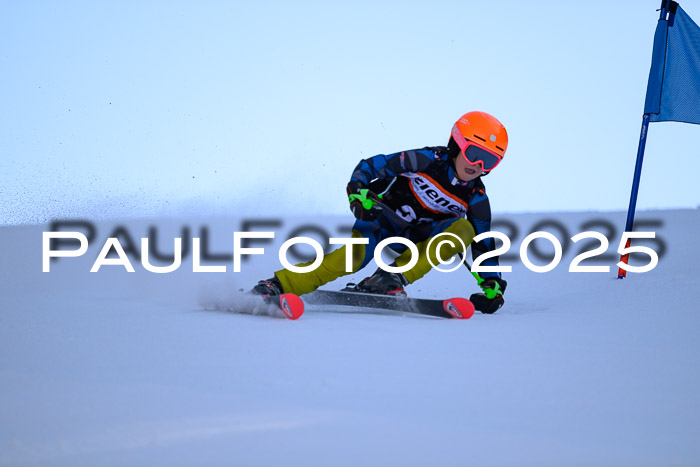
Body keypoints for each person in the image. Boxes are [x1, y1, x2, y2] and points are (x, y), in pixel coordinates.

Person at [252, 111, 508, 314]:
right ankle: (278, 285)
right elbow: (373, 165)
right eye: (474, 154)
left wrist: (492, 284)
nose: (478, 166)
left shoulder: (476, 198)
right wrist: (357, 191)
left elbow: (484, 245)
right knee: (353, 259)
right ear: (457, 144)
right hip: (379, 219)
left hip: (414, 239)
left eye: (490, 161)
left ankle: (387, 278)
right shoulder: (427, 160)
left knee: (465, 229)